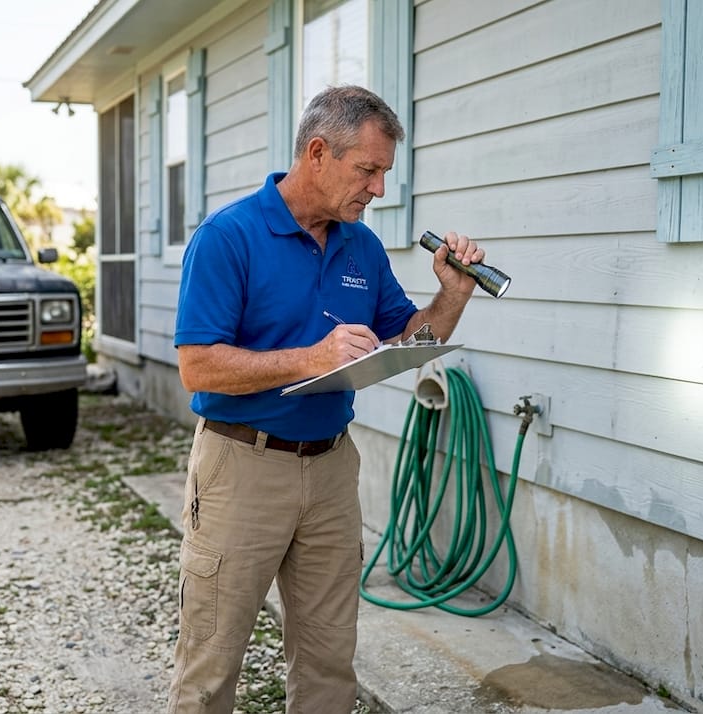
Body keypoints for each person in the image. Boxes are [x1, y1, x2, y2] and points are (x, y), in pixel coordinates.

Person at [169, 84, 487, 713]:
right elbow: (197, 366)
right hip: (242, 468)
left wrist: (451, 295)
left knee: (327, 658)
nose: (378, 189)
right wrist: (312, 358)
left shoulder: (359, 244)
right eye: (367, 170)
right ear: (317, 153)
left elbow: (403, 336)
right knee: (211, 661)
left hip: (333, 467)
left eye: (384, 173)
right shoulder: (228, 237)